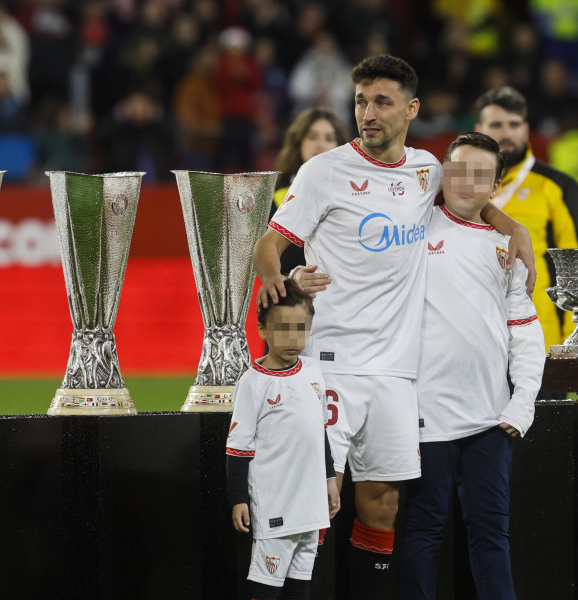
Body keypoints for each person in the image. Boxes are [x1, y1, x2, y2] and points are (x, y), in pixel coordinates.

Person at [253, 54, 535, 599]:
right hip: (333, 360)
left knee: (381, 506)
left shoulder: (427, 170)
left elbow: (473, 199)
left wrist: (510, 223)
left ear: (412, 109)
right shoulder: (323, 172)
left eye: (382, 102)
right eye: (360, 101)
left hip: (397, 375)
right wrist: (279, 281)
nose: (368, 113)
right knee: (312, 499)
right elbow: (270, 243)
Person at [397, 132, 545, 599]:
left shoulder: (507, 250)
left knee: (491, 537)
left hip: (490, 422)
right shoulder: (411, 228)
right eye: (458, 170)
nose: (467, 182)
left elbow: (524, 332)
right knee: (421, 534)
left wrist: (522, 404)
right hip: (423, 417)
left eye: (481, 175)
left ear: (496, 186)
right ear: (442, 172)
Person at [226, 278, 339, 600]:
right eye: (283, 328)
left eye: (301, 328)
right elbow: (238, 448)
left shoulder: (313, 370)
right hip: (276, 503)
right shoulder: (253, 383)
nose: (293, 338)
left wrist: (330, 478)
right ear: (262, 330)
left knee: (301, 585)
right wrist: (238, 499)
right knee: (266, 585)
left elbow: (320, 431)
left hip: (312, 502)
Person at [474, 86, 578, 354]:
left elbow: (574, 263)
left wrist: (570, 341)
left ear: (526, 128)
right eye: (496, 124)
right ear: (478, 128)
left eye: (514, 124)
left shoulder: (557, 186)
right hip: (477, 335)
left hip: (541, 338)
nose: (507, 133)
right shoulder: (460, 186)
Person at [272, 107, 350, 276]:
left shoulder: (355, 193)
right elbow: (274, 258)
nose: (321, 144)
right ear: (298, 142)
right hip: (293, 296)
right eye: (312, 136)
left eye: (329, 138)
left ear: (340, 146)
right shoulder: (275, 196)